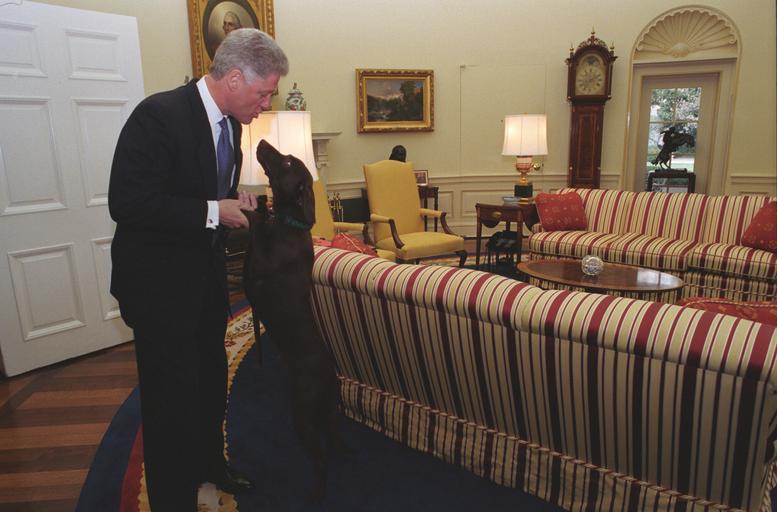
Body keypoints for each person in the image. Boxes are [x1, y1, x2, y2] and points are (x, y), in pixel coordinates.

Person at [108, 28, 288, 510]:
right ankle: (171, 497)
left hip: (205, 284)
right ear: (234, 78)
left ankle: (211, 465)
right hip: (158, 289)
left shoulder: (232, 125)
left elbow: (202, 192)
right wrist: (214, 211)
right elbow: (128, 202)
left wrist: (232, 204)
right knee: (169, 401)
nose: (266, 104)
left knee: (210, 384)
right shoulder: (158, 116)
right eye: (263, 92)